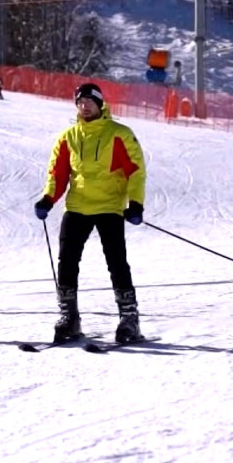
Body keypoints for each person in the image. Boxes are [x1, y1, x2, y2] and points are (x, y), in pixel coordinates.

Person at [35, 83, 147, 343]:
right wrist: (48, 198)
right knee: (67, 261)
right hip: (77, 206)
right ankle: (69, 317)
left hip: (109, 207)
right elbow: (58, 173)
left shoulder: (119, 134)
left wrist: (136, 204)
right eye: (80, 102)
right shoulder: (68, 137)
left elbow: (135, 171)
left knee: (116, 262)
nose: (84, 106)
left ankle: (129, 318)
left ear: (100, 104)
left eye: (89, 101)